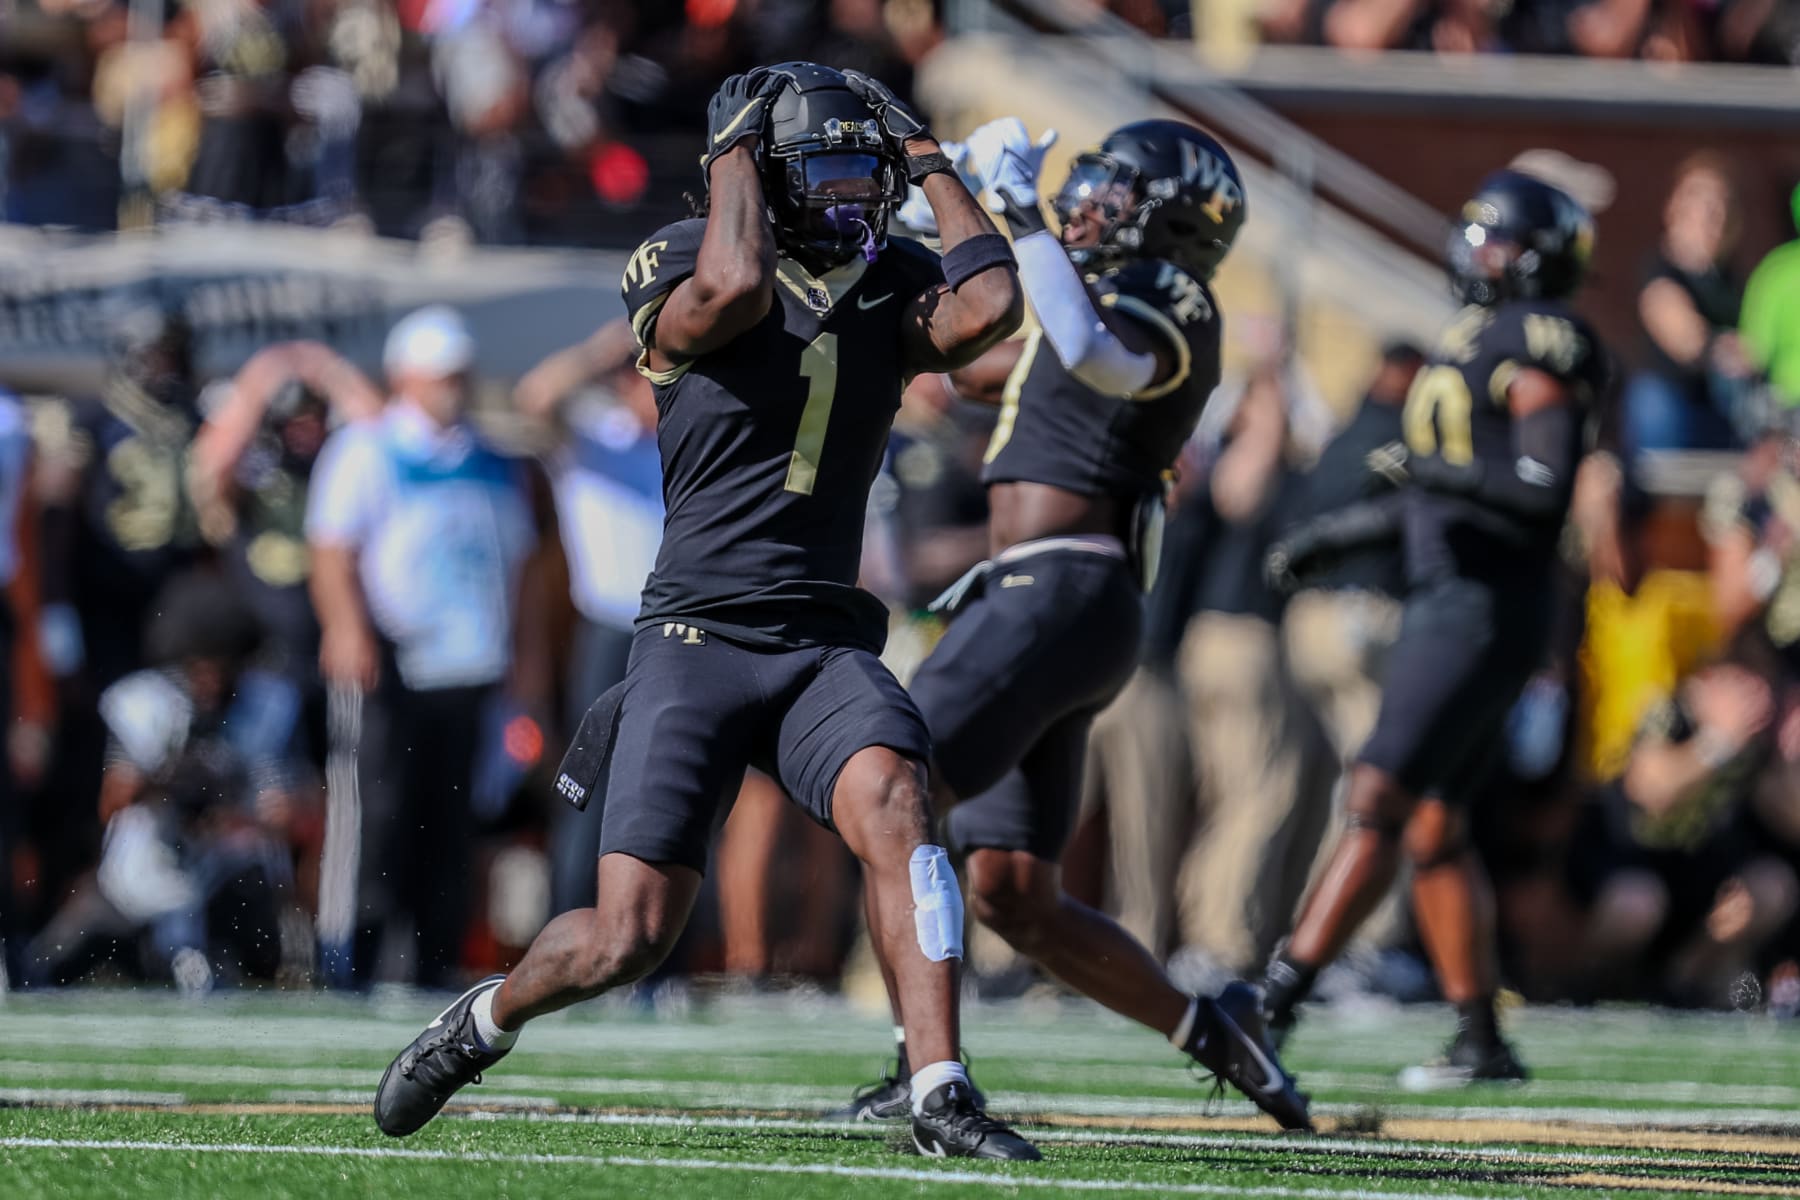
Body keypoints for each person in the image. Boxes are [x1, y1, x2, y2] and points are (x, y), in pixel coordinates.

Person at [373, 63, 1037, 1160]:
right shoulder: (683, 262)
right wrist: (730, 142)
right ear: (762, 177)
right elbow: (733, 286)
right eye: (824, 171)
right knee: (625, 937)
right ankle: (482, 1021)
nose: (851, 197)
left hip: (822, 638)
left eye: (862, 176)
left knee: (899, 805)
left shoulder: (884, 271)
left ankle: (939, 1090)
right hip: (698, 638)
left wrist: (929, 158)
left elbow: (992, 305)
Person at [834, 114, 1309, 1131]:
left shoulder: (1169, 300)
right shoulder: (1082, 291)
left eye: (1115, 192)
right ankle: (1219, 1036)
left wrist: (1016, 213)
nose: (1091, 202)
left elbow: (1093, 353)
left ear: (1170, 221)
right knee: (1012, 893)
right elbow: (973, 363)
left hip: (1058, 589)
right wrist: (948, 227)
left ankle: (928, 1072)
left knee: (892, 788)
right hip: (1048, 600)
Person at [1253, 169, 1610, 1085]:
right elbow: (1438, 500)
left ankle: (1273, 1004)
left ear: (1536, 257)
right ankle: (1481, 1040)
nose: (1473, 254)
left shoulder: (1541, 341)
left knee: (1377, 795)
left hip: (1484, 609)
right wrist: (1339, 536)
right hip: (1450, 597)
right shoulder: (1475, 339)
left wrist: (1426, 473)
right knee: (1434, 825)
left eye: (1493, 239)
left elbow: (1540, 492)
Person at [306, 305, 539, 988]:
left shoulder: (494, 461)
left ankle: (431, 960)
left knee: (451, 825)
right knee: (376, 817)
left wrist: (525, 664)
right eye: (440, 374)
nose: (453, 387)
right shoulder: (367, 448)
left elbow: (521, 569)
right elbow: (331, 551)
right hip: (392, 665)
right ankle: (352, 956)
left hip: (468, 667)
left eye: (460, 374)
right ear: (404, 376)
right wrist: (347, 629)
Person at [1624, 154, 1750, 454]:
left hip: (1721, 413)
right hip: (1673, 409)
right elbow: (1681, 333)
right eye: (1702, 206)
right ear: (1675, 210)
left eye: (1722, 206)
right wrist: (1724, 349)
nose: (1714, 217)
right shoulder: (1661, 272)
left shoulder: (1728, 281)